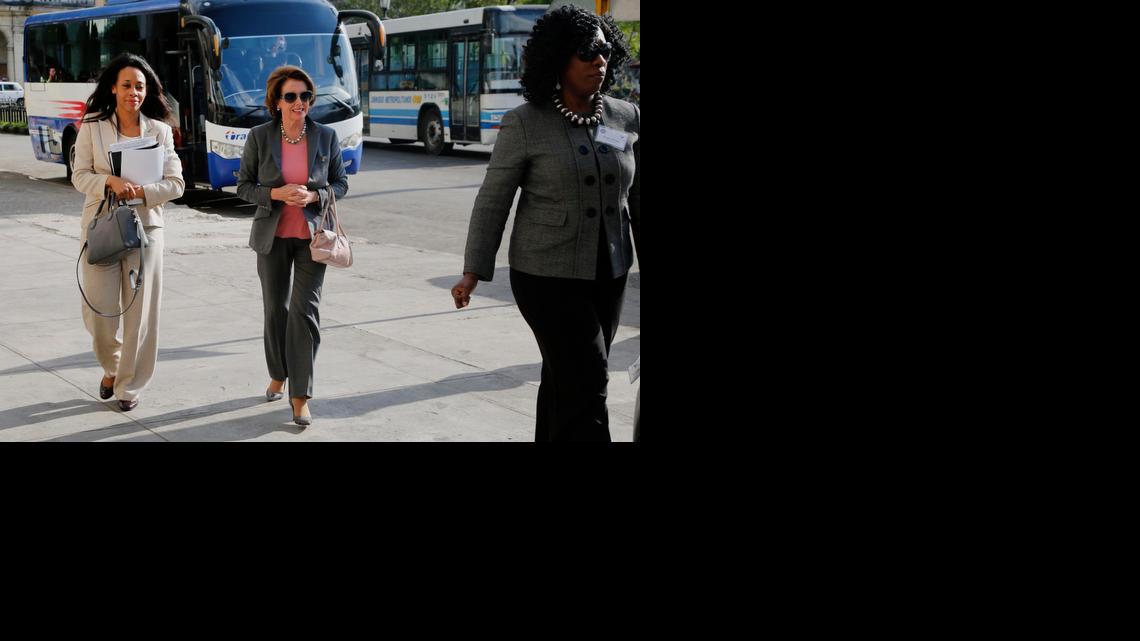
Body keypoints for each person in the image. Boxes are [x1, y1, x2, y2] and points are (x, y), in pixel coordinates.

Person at [450, 5, 640, 442]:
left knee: (565, 380)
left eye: (605, 49)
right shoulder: (525, 122)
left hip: (609, 273)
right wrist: (473, 269)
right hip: (545, 276)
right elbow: (493, 200)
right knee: (589, 380)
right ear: (558, 57)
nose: (600, 60)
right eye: (587, 51)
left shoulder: (625, 117)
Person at [71, 53, 185, 411]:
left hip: (146, 228)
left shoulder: (161, 131)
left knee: (141, 314)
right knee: (99, 314)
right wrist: (110, 181)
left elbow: (177, 183)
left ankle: (129, 387)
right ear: (113, 88)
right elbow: (79, 176)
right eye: (126, 85)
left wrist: (144, 192)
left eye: (139, 86)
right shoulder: (92, 125)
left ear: (146, 91)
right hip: (103, 226)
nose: (133, 92)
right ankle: (113, 365)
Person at [236, 66, 348, 427]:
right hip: (272, 238)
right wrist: (275, 193)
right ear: (277, 102)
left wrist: (315, 194)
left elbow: (341, 184)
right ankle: (278, 374)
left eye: (305, 96)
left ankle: (300, 395)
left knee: (305, 313)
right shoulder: (259, 136)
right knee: (275, 311)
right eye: (291, 97)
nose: (299, 103)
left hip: (314, 239)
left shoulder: (326, 137)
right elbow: (243, 186)